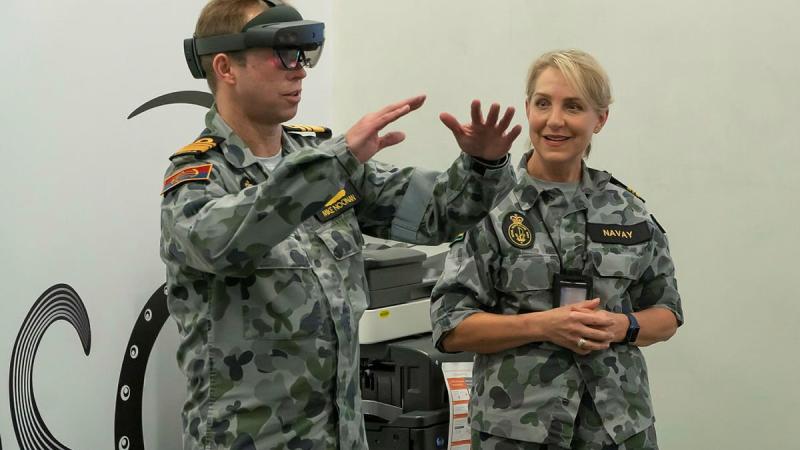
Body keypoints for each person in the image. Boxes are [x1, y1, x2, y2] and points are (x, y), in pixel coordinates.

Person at [160, 1, 522, 449]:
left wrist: (484, 164)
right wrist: (336, 161)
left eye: (306, 55)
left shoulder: (322, 161)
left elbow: (436, 215)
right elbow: (229, 241)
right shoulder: (197, 182)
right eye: (284, 54)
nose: (301, 71)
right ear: (225, 67)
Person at [430, 49, 683, 450]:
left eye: (574, 106)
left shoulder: (627, 210)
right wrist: (543, 325)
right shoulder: (489, 206)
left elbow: (667, 313)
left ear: (599, 119)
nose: (555, 120)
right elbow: (451, 326)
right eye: (543, 103)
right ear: (527, 108)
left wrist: (624, 326)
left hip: (618, 429)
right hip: (516, 433)